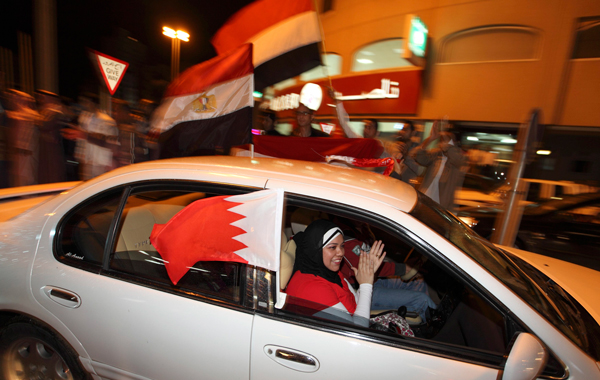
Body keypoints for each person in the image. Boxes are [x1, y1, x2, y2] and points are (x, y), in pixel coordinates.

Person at [286, 219, 386, 327]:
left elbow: (356, 304)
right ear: (316, 249)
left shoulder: (330, 272)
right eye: (332, 247)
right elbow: (358, 330)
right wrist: (366, 284)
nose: (341, 253)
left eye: (342, 246)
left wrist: (367, 275)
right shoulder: (312, 287)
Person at [413, 121, 467, 212]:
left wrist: (444, 133)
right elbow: (419, 157)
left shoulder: (459, 159)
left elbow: (455, 157)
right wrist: (430, 138)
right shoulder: (436, 154)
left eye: (448, 139)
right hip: (425, 202)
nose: (444, 142)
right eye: (442, 139)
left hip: (442, 208)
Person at [5, 89, 40, 187]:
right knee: (18, 180)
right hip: (18, 154)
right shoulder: (16, 114)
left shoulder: (31, 114)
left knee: (27, 180)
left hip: (27, 154)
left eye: (17, 99)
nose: (13, 101)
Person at [36, 90, 67, 184]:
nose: (41, 99)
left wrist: (38, 120)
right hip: (45, 146)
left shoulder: (55, 111)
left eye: (43, 97)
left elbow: (44, 125)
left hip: (52, 147)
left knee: (52, 171)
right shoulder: (43, 111)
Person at [388, 120, 420, 185]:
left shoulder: (417, 150)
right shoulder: (395, 146)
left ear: (413, 133)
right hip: (394, 184)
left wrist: (407, 157)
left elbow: (420, 171)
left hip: (408, 187)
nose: (402, 132)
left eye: (405, 130)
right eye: (402, 130)